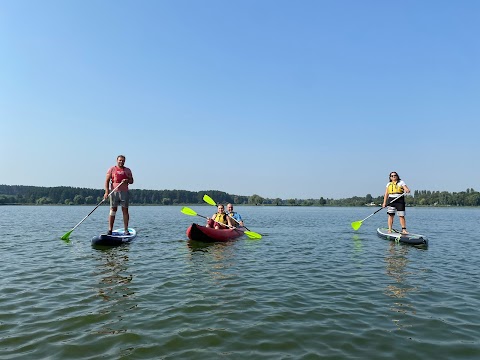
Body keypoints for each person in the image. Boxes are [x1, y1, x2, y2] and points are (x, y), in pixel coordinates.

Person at [104, 155, 134, 235]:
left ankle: (126, 230)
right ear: (117, 160)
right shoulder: (112, 169)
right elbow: (106, 181)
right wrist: (106, 192)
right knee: (113, 211)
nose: (121, 162)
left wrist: (127, 180)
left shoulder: (128, 170)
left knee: (125, 210)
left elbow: (131, 181)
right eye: (120, 160)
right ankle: (110, 230)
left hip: (124, 192)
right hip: (114, 192)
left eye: (123, 160)